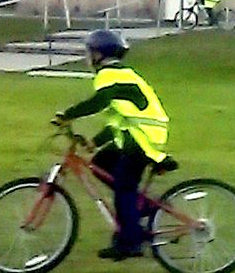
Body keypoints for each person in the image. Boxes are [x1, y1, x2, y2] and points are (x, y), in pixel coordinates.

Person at [53, 29, 170, 261]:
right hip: (136, 135)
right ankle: (142, 208)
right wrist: (95, 142)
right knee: (100, 163)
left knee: (124, 188)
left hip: (142, 139)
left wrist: (68, 115)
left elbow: (99, 102)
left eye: (90, 52)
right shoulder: (123, 73)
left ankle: (131, 242)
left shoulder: (108, 74)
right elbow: (120, 119)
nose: (88, 57)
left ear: (99, 54)